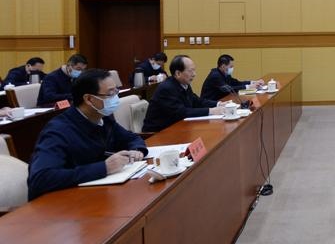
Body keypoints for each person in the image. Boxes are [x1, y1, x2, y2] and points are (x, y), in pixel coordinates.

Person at [27, 69, 148, 200]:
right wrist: (104, 168)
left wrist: (136, 150)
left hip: (97, 193)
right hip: (64, 203)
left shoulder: (103, 117)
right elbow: (40, 178)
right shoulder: (58, 130)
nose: (116, 97)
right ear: (89, 99)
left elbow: (131, 138)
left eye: (116, 91)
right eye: (110, 93)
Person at [142, 55, 225, 132]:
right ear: (178, 73)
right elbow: (182, 112)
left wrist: (218, 104)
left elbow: (196, 101)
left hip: (176, 128)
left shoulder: (184, 84)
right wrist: (211, 111)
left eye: (194, 70)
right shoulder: (167, 88)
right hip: (156, 134)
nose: (194, 74)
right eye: (190, 71)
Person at [200, 54, 264, 101]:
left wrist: (253, 82)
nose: (232, 68)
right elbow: (229, 89)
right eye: (231, 67)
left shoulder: (225, 73)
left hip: (222, 100)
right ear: (223, 66)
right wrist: (248, 87)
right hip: (211, 103)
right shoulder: (215, 76)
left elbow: (236, 83)